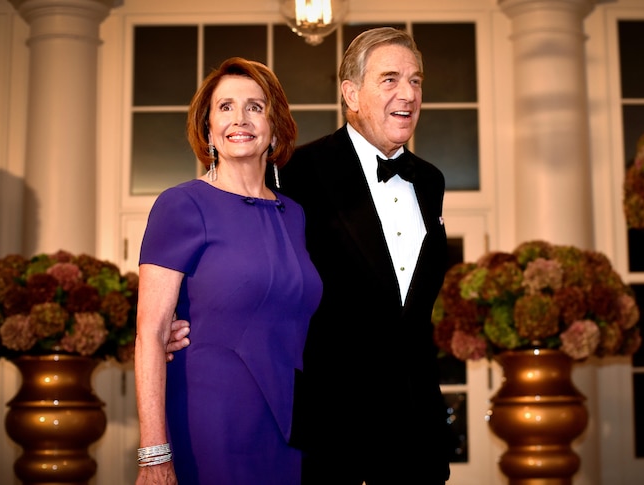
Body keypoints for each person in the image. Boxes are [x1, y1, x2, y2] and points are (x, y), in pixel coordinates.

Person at [168, 27, 453, 484]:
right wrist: (178, 321)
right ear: (351, 93)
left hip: (416, 432)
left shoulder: (430, 181)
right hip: (330, 433)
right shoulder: (293, 173)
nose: (408, 93)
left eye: (416, 81)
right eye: (391, 79)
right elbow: (237, 260)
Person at [135, 57, 322, 485]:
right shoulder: (182, 205)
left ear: (275, 127)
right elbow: (151, 333)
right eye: (225, 107)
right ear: (207, 129)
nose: (240, 119)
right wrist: (153, 454)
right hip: (210, 419)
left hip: (291, 424)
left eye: (255, 107)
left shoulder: (294, 214)